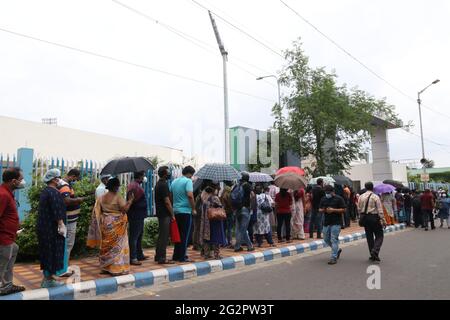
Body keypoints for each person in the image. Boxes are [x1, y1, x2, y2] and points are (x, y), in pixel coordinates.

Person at [87, 177, 133, 275]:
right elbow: (124, 209)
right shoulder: (118, 197)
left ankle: (105, 267)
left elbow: (99, 210)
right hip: (117, 223)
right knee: (117, 246)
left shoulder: (102, 197)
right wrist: (130, 201)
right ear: (116, 187)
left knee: (106, 245)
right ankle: (115, 269)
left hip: (106, 222)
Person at [38, 169, 68, 288]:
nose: (60, 180)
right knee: (52, 252)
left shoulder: (46, 191)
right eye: (59, 177)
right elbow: (56, 210)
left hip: (45, 227)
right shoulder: (53, 192)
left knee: (48, 252)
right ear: (54, 179)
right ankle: (48, 280)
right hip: (51, 229)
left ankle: (49, 277)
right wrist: (61, 225)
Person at [0, 168, 26, 295]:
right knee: (1, 265)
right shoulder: (3, 195)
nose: (23, 182)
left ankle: (7, 285)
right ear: (14, 181)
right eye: (21, 180)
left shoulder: (8, 193)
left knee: (14, 249)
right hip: (3, 239)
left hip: (9, 238)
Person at [57, 168, 86, 272]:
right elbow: (67, 200)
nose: (75, 181)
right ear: (73, 176)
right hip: (68, 219)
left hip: (69, 218)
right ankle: (64, 266)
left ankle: (65, 263)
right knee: (68, 243)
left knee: (67, 242)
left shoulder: (64, 184)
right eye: (76, 179)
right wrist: (78, 200)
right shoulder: (64, 185)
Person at [171, 166, 196, 262]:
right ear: (190, 173)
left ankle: (176, 256)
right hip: (185, 211)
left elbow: (171, 195)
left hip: (176, 210)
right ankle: (182, 257)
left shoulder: (174, 182)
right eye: (192, 175)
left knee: (178, 235)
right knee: (184, 236)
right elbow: (190, 195)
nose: (192, 177)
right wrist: (193, 209)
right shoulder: (188, 181)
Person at [358, 182, 386, 262]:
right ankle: (375, 251)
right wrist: (383, 220)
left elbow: (359, 208)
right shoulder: (375, 197)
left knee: (369, 236)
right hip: (374, 218)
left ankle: (372, 255)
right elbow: (380, 210)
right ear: (373, 188)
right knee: (379, 235)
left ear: (365, 187)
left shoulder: (361, 196)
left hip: (365, 218)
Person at [319, 185, 346, 265]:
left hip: (336, 222)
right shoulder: (323, 199)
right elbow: (319, 209)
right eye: (326, 192)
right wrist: (325, 210)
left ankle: (333, 257)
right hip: (326, 222)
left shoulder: (339, 199)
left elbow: (344, 209)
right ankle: (337, 250)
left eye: (328, 192)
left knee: (334, 239)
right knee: (326, 239)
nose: (327, 194)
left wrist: (333, 210)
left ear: (332, 191)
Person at [127, 171, 149, 266]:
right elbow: (131, 200)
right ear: (140, 176)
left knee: (139, 236)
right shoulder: (134, 186)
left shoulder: (135, 185)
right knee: (134, 237)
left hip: (138, 214)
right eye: (143, 176)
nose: (144, 177)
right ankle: (133, 257)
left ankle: (139, 254)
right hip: (136, 215)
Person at [154, 166, 175, 264]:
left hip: (161, 213)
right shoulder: (163, 185)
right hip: (164, 213)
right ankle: (162, 258)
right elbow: (167, 201)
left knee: (161, 235)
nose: (169, 174)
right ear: (165, 174)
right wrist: (172, 213)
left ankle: (158, 256)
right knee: (164, 236)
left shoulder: (159, 184)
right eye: (168, 172)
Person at [199, 185, 226, 259]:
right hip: (215, 220)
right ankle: (216, 255)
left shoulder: (204, 199)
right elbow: (220, 206)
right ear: (214, 190)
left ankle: (206, 254)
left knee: (207, 238)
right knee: (216, 237)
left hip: (206, 222)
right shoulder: (215, 198)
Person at [232, 172, 255, 252]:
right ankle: (238, 246)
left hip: (237, 209)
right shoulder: (247, 185)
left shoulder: (236, 185)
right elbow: (252, 195)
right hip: (245, 209)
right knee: (243, 229)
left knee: (240, 229)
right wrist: (252, 206)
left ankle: (249, 245)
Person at [220, 180, 234, 248]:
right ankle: (229, 242)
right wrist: (232, 208)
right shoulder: (229, 192)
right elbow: (229, 202)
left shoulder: (223, 192)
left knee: (224, 227)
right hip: (229, 212)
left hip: (223, 212)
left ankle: (223, 241)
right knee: (229, 228)